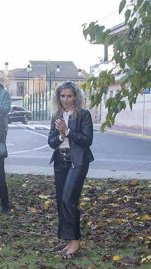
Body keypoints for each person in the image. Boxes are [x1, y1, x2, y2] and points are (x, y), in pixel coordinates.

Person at [47, 81, 94, 259]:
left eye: (69, 96)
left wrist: (67, 132)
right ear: (58, 97)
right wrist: (60, 135)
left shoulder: (83, 115)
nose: (66, 99)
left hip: (78, 161)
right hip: (60, 160)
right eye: (62, 96)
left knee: (68, 199)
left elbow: (87, 140)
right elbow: (51, 142)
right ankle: (68, 240)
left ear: (75, 97)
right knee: (61, 201)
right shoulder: (57, 116)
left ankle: (75, 241)